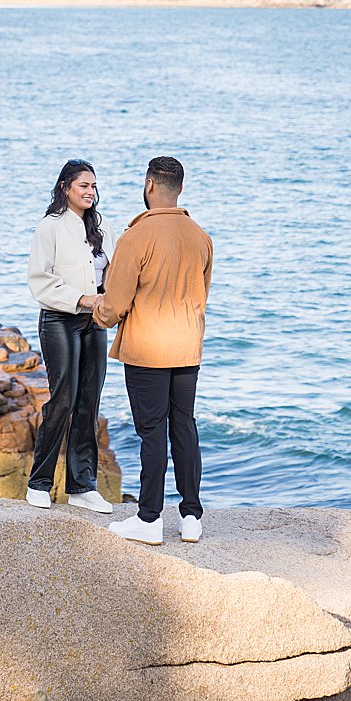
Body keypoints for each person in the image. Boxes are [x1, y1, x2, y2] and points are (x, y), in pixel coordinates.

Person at [93, 156, 213, 544]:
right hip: (187, 347)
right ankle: (191, 517)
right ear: (179, 188)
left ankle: (148, 519)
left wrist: (96, 314)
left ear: (149, 186)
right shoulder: (200, 236)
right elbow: (201, 295)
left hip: (148, 350)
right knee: (185, 428)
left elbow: (114, 304)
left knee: (151, 434)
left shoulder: (136, 237)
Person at [24, 158, 114, 514]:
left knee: (89, 402)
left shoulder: (102, 227)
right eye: (83, 186)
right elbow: (40, 280)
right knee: (63, 400)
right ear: (65, 187)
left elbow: (114, 272)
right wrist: (83, 298)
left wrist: (112, 302)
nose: (90, 192)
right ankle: (39, 483)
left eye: (93, 186)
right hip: (60, 321)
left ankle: (82, 486)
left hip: (95, 323)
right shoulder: (50, 227)